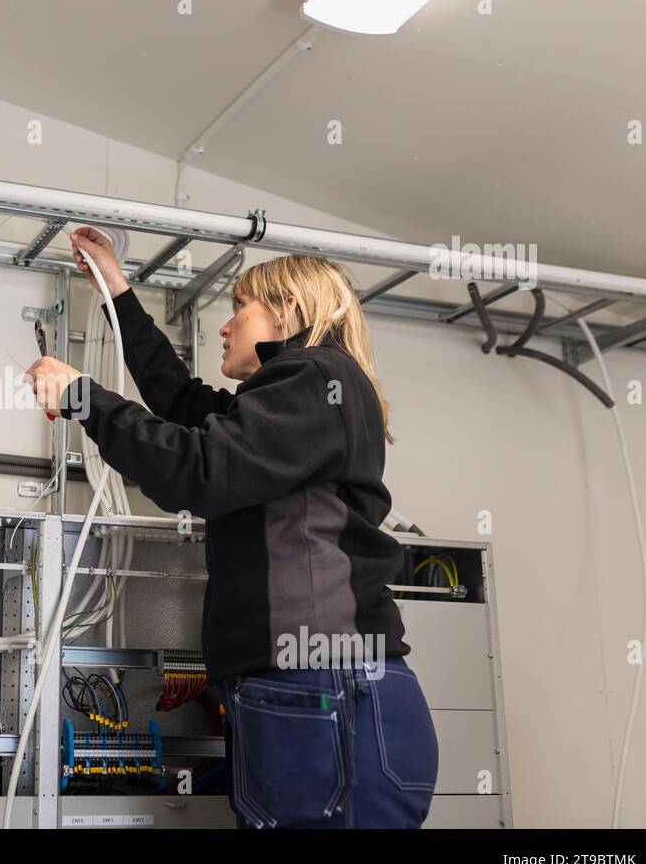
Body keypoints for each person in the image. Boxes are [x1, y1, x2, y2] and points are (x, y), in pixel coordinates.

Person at [26, 227, 439, 828]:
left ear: (289, 309)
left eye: (240, 307)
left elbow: (196, 470)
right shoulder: (306, 398)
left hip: (322, 688)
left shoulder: (313, 377)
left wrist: (83, 398)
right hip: (321, 691)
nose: (225, 325)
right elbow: (182, 404)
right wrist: (117, 289)